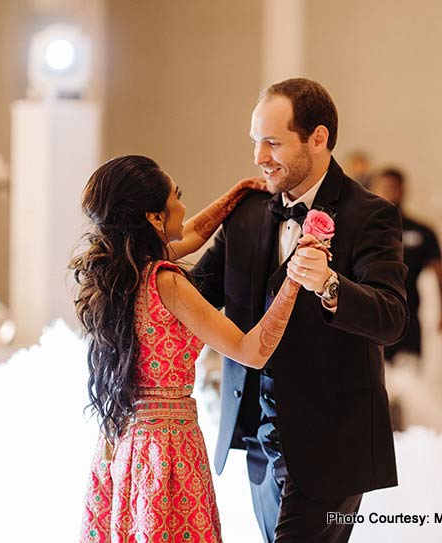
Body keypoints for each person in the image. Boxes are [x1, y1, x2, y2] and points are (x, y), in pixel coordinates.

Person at [193, 78, 409, 542]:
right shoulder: (246, 213)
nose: (258, 157)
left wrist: (330, 284)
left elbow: (391, 318)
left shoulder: (370, 215)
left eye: (272, 142)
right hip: (257, 439)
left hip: (333, 442)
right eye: (255, 142)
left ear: (318, 138)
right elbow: (193, 294)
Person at [70, 155, 327, 542]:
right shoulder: (166, 281)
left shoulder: (119, 270)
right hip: (169, 449)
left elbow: (188, 234)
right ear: (155, 219)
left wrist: (234, 196)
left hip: (125, 444)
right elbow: (251, 350)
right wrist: (295, 278)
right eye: (177, 196)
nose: (184, 207)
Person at [369, 167, 442, 362]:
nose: (389, 193)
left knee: (408, 379)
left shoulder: (423, 232)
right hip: (371, 317)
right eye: (384, 188)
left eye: (393, 188)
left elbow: (441, 277)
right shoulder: (365, 231)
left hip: (407, 319)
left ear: (403, 190)